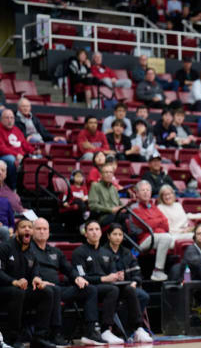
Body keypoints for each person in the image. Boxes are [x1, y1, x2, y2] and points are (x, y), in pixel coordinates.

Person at [72, 220, 152, 344]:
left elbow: (112, 274)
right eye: (91, 230)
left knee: (130, 289)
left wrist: (118, 277)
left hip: (108, 286)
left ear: (101, 233)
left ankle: (138, 328)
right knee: (112, 289)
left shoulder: (107, 253)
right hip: (90, 287)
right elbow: (82, 277)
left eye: (97, 229)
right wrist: (104, 279)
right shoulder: (79, 252)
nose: (94, 232)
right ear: (85, 234)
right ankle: (105, 329)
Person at [30, 218, 107, 346]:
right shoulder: (29, 250)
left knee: (90, 289)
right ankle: (56, 333)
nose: (42, 232)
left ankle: (90, 331)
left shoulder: (55, 251)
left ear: (49, 232)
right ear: (32, 231)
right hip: (39, 289)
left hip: (58, 288)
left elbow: (68, 268)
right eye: (38, 229)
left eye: (45, 229)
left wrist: (77, 277)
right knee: (53, 291)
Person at [0, 219, 56, 348]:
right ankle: (13, 337)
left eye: (30, 227)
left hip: (22, 291)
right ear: (15, 231)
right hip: (4, 289)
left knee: (47, 292)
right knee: (17, 292)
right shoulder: (5, 247)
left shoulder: (32, 251)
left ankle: (39, 337)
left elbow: (35, 270)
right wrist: (13, 281)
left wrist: (36, 278)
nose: (27, 229)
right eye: (23, 227)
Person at [128, 180, 175, 281]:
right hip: (143, 241)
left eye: (148, 190)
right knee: (166, 237)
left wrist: (154, 222)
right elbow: (147, 225)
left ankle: (183, 275)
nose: (146, 192)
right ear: (137, 193)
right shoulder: (134, 208)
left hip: (158, 236)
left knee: (185, 238)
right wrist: (158, 222)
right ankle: (158, 271)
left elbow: (166, 224)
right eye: (143, 190)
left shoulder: (153, 206)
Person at [104, 223, 150, 312]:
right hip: (110, 287)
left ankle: (135, 324)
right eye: (114, 234)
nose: (117, 237)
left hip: (127, 286)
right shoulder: (102, 252)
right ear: (108, 236)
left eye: (120, 235)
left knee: (144, 296)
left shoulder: (127, 252)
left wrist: (135, 282)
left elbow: (137, 271)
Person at [0, 109, 34, 189]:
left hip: (20, 156)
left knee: (37, 158)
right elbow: (1, 148)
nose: (10, 120)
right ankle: (13, 188)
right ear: (1, 119)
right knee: (10, 159)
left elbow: (24, 144)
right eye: (7, 118)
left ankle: (31, 189)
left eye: (12, 118)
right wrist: (16, 155)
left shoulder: (16, 129)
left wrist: (34, 151)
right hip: (5, 156)